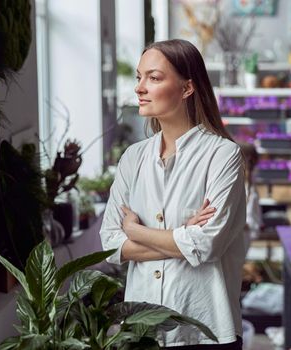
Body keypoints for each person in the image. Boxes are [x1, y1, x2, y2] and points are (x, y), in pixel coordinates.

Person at [100, 39, 246, 349]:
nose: (140, 87)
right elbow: (111, 243)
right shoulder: (133, 157)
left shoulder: (223, 156)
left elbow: (207, 244)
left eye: (154, 78)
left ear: (187, 88)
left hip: (207, 328)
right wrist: (182, 236)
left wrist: (136, 231)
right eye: (139, 77)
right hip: (143, 330)